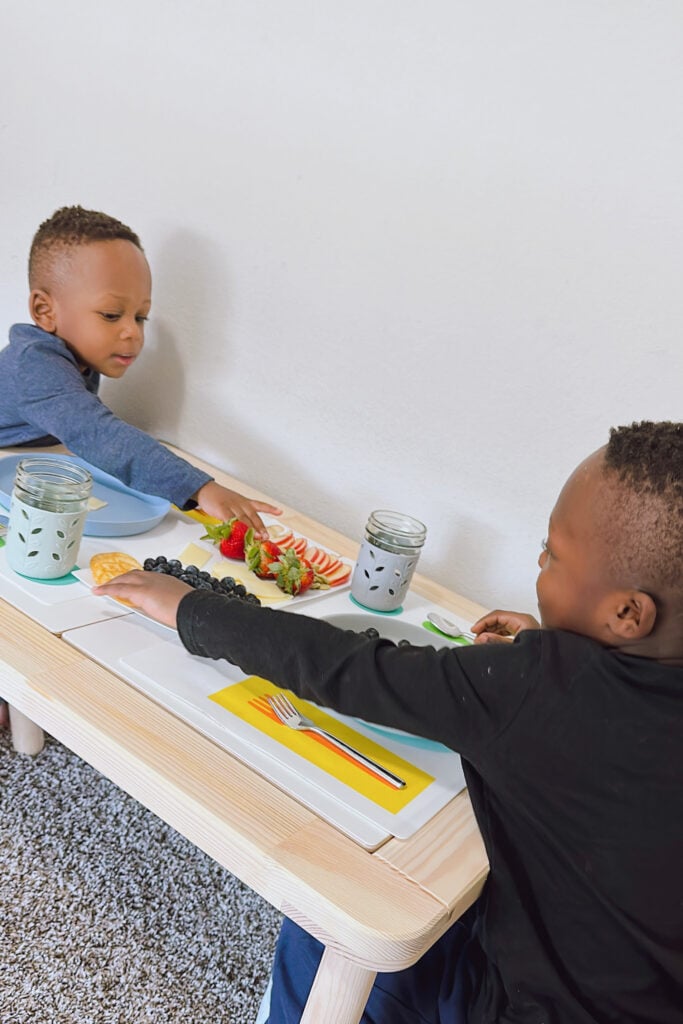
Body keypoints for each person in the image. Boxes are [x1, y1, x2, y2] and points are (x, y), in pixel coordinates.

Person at [94, 420, 683, 1023]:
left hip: (520, 1004)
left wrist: (189, 607)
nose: (538, 559)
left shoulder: (540, 692)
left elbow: (351, 667)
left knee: (334, 919)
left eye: (552, 553)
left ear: (627, 613)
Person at [0, 205, 280, 533]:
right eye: (110, 315)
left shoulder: (74, 355)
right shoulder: (35, 366)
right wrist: (199, 488)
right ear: (44, 310)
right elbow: (98, 433)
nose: (132, 332)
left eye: (140, 317)